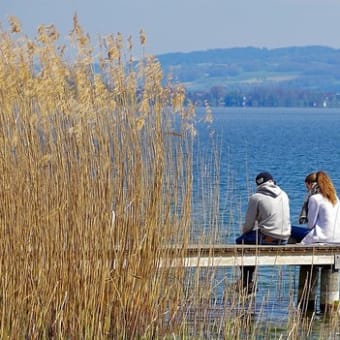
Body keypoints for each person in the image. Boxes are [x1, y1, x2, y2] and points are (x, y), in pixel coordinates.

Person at [235, 171, 291, 294]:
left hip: (268, 237)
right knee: (251, 240)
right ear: (272, 182)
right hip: (285, 238)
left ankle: (246, 280)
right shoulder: (284, 194)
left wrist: (245, 233)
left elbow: (249, 224)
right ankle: (247, 281)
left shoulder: (256, 197)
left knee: (241, 241)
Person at [291, 171, 340, 244]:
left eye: (307, 187)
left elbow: (311, 225)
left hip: (322, 238)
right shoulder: (335, 198)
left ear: (311, 184)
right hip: (337, 238)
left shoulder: (315, 198)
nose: (307, 190)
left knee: (289, 229)